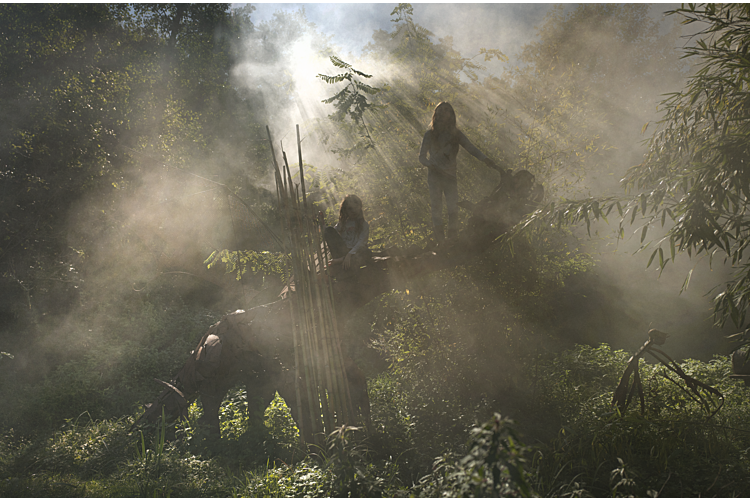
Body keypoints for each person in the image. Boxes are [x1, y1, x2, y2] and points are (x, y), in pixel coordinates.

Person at [419, 101, 503, 242]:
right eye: (440, 110)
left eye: (446, 110)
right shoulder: (429, 134)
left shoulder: (456, 134)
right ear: (436, 114)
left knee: (453, 208)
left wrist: (487, 160)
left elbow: (471, 149)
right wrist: (430, 165)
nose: (443, 112)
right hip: (434, 176)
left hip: (450, 176)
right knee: (436, 207)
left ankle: (452, 238)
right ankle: (440, 241)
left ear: (451, 114)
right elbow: (421, 157)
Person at [323, 194, 372, 271]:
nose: (353, 211)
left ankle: (341, 260)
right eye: (350, 209)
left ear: (360, 207)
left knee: (367, 253)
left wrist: (350, 254)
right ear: (345, 210)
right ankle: (341, 258)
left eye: (356, 207)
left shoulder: (364, 224)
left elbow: (361, 242)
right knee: (328, 230)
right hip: (343, 251)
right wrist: (322, 226)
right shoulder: (343, 223)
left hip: (356, 252)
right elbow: (333, 235)